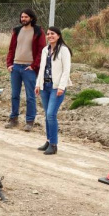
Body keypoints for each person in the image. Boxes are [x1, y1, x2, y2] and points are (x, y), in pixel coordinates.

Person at [5, 8, 46, 132]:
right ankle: (13, 119)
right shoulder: (17, 31)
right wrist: (9, 64)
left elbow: (41, 51)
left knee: (30, 96)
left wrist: (34, 66)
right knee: (14, 95)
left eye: (26, 17)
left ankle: (29, 121)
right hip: (16, 67)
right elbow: (11, 49)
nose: (23, 19)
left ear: (31, 18)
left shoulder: (38, 31)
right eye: (22, 17)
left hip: (29, 68)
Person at [34, 26, 72, 155]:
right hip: (45, 86)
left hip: (56, 87)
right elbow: (41, 68)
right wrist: (38, 84)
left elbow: (66, 70)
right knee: (47, 115)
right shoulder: (45, 50)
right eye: (48, 34)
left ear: (59, 35)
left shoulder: (64, 50)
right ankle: (49, 140)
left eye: (53, 34)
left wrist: (61, 87)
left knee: (51, 114)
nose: (50, 36)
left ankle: (54, 144)